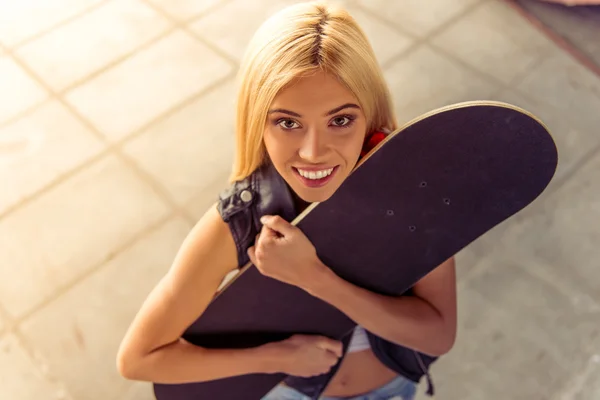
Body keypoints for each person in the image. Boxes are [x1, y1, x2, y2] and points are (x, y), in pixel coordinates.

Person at [116, 2, 457, 399]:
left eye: (341, 120)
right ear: (257, 121)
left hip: (393, 389)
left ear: (370, 114)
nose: (313, 152)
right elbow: (138, 358)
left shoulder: (413, 196)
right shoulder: (240, 221)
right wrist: (276, 357)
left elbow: (438, 336)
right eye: (288, 123)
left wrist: (315, 278)